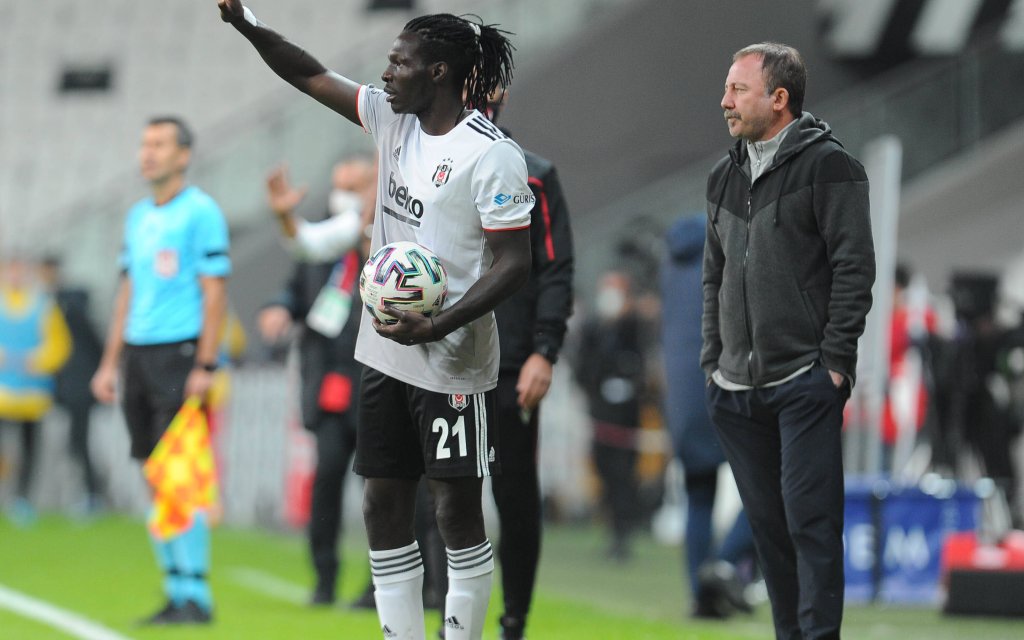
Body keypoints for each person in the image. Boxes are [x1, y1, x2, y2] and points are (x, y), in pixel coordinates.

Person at [218, 5, 533, 640]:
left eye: (400, 62)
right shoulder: (391, 118)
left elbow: (515, 263)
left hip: (454, 363)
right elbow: (307, 74)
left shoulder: (492, 156)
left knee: (455, 508)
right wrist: (248, 25)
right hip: (384, 352)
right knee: (380, 501)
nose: (386, 73)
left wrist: (441, 324)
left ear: (437, 72)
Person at [702, 43, 875, 639]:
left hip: (805, 381)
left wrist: (834, 363)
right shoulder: (722, 175)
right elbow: (713, 276)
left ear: (779, 99)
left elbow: (856, 270)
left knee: (812, 527)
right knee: (770, 535)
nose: (725, 100)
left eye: (738, 90)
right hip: (735, 391)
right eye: (727, 88)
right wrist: (711, 363)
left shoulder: (832, 167)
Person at [90, 116, 231, 625]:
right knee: (154, 475)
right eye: (144, 143)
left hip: (179, 352)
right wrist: (110, 363)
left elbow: (215, 291)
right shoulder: (137, 217)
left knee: (179, 476)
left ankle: (196, 593)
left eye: (159, 144)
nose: (147, 153)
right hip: (138, 356)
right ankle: (176, 590)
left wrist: (206, 363)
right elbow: (126, 292)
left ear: (183, 155)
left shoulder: (201, 213)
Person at [258, 157, 375, 606]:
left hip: (376, 379)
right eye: (339, 185)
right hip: (329, 379)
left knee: (382, 488)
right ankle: (323, 577)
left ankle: (381, 582)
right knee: (326, 479)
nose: (344, 193)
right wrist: (280, 307)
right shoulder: (326, 239)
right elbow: (296, 278)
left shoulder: (390, 237)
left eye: (355, 185)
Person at [662, 215, 755, 619]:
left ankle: (703, 599)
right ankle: (725, 564)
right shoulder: (729, 257)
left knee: (699, 497)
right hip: (724, 385)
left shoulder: (672, 269)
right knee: (771, 487)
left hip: (682, 401)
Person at [573, 270, 646, 562]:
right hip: (601, 416)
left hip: (626, 418)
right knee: (605, 473)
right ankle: (614, 528)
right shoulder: (593, 328)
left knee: (624, 475)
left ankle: (623, 534)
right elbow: (582, 368)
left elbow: (641, 364)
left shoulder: (633, 326)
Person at [0, 254, 72, 526]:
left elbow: (60, 345)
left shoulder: (43, 305)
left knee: (30, 451)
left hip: (33, 395)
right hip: (3, 395)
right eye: (11, 272)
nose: (16, 277)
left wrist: (40, 360)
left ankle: (22, 500)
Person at [39, 255, 106, 516]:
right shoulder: (52, 304)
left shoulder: (71, 303)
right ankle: (89, 493)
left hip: (79, 385)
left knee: (79, 440)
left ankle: (93, 494)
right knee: (74, 441)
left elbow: (92, 341)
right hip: (64, 385)